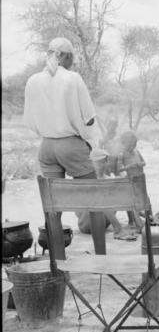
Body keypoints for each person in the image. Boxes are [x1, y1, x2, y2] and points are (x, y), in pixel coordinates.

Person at [23, 37, 133, 247]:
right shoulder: (72, 78)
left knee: (54, 204)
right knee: (92, 195)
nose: (72, 62)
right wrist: (86, 138)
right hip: (71, 145)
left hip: (46, 146)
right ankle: (100, 253)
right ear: (64, 56)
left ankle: (57, 256)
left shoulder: (33, 80)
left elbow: (29, 120)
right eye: (71, 57)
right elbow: (89, 117)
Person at [108, 130, 146, 233]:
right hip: (128, 180)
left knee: (139, 200)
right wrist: (130, 166)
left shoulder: (137, 152)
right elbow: (119, 169)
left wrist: (140, 164)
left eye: (134, 144)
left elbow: (144, 162)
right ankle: (132, 221)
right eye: (131, 145)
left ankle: (137, 218)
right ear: (124, 143)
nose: (133, 147)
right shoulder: (121, 154)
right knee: (130, 201)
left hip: (139, 179)